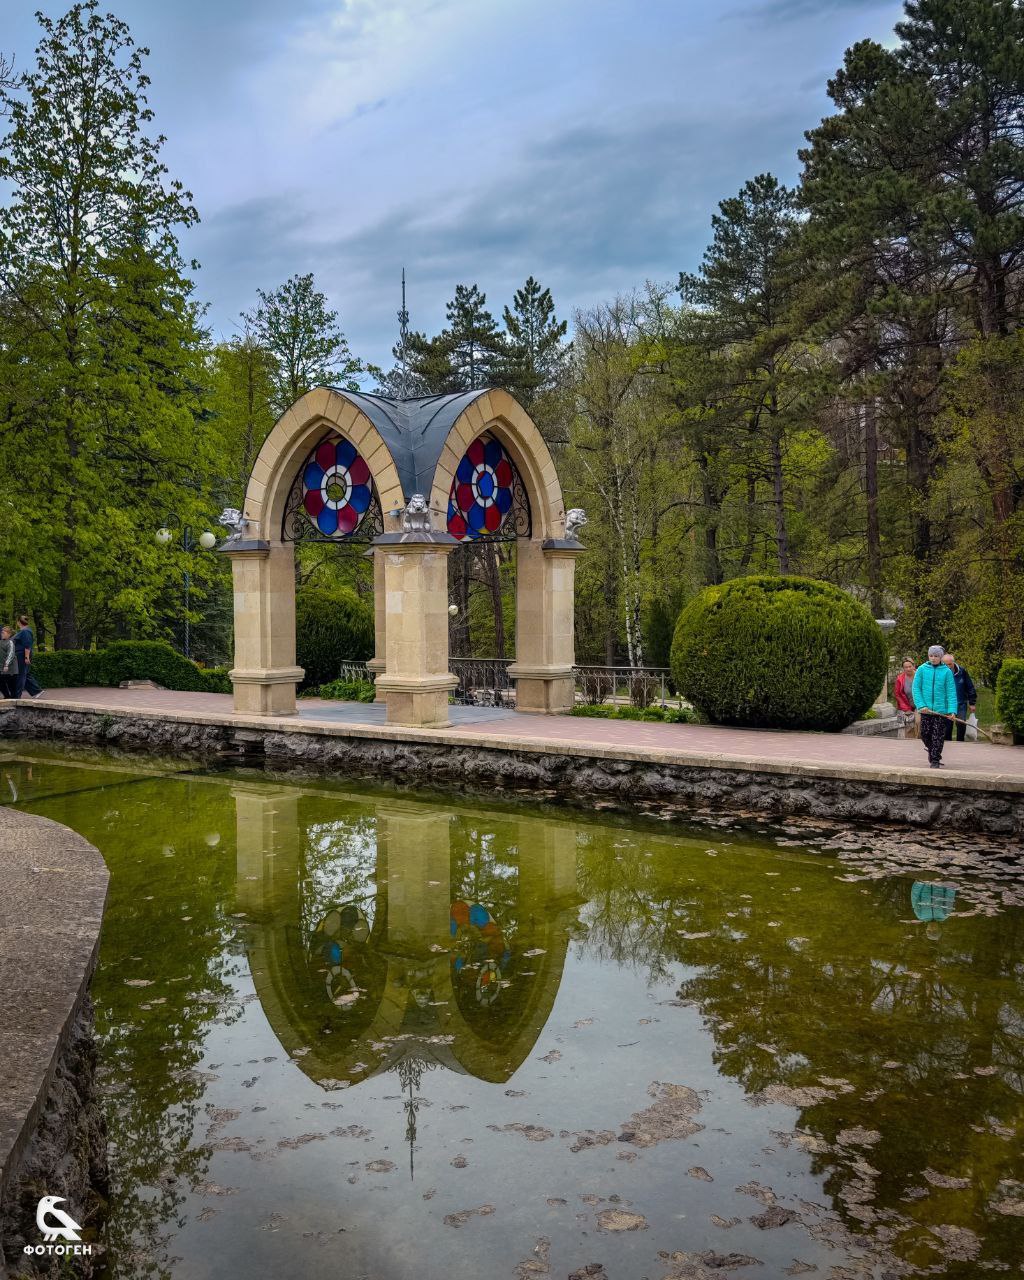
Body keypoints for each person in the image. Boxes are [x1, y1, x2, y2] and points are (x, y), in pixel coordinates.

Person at [912, 645, 957, 768]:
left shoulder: (947, 672)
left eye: (936, 656)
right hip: (926, 710)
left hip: (940, 712)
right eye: (931, 655)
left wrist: (952, 710)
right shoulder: (921, 669)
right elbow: (916, 688)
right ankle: (933, 751)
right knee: (925, 734)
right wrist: (921, 705)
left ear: (941, 657)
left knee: (938, 735)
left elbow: (951, 692)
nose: (933, 658)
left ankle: (935, 759)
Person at [942, 653, 977, 742]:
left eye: (949, 664)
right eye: (945, 664)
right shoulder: (940, 672)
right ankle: (947, 743)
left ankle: (960, 743)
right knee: (947, 727)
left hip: (960, 703)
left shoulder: (962, 671)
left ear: (953, 662)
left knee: (961, 724)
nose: (948, 666)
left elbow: (970, 687)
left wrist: (972, 702)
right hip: (947, 704)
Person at [13, 614, 43, 699]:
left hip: (22, 655)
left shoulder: (25, 631)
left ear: (19, 622)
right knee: (25, 674)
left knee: (21, 675)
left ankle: (17, 696)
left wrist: (26, 657)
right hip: (21, 654)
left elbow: (27, 645)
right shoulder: (24, 631)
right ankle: (37, 691)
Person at [892, 656, 916, 731]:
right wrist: (907, 709)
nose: (908, 669)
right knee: (904, 727)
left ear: (914, 666)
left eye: (910, 666)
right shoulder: (900, 679)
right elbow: (898, 695)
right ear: (903, 668)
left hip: (919, 706)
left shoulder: (919, 675)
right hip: (904, 706)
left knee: (918, 725)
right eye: (906, 667)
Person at [0, 626, 16, 698]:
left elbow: (11, 654)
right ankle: (7, 697)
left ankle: (14, 699)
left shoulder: (10, 643)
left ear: (9, 634)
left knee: (11, 685)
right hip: (2, 668)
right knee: (1, 683)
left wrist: (6, 664)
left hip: (10, 668)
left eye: (3, 632)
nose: (1, 634)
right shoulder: (0, 642)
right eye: (1, 632)